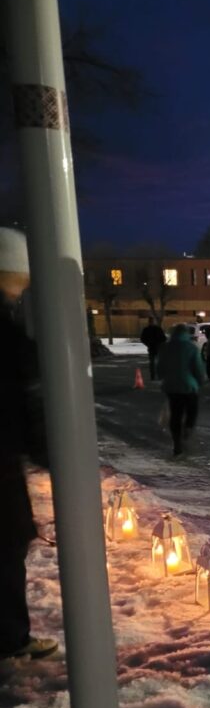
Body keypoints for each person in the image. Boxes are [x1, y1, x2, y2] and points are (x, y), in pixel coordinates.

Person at [0, 229, 58, 663]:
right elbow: (24, 401)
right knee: (8, 545)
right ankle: (10, 639)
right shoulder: (7, 332)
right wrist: (49, 452)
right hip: (2, 463)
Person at [157, 323, 206, 457]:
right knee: (192, 410)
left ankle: (176, 442)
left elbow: (160, 368)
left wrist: (163, 377)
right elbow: (197, 368)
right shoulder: (191, 347)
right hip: (189, 386)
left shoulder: (165, 347)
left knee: (175, 414)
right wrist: (200, 381)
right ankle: (188, 428)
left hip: (171, 387)